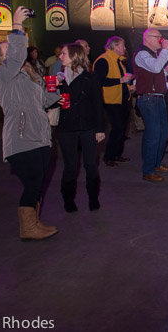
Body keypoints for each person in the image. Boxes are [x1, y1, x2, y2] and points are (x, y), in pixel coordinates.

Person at [0, 6, 59, 241]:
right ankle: (28, 228)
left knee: (37, 183)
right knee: (34, 182)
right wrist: (16, 26)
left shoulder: (26, 76)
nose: (16, 49)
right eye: (8, 48)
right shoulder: (1, 75)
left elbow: (43, 101)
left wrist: (58, 91)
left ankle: (34, 223)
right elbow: (15, 57)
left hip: (40, 135)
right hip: (21, 137)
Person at [57, 44, 105, 212]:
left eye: (63, 53)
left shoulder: (90, 77)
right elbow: (47, 102)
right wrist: (53, 93)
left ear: (74, 56)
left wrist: (100, 129)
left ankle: (93, 198)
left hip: (87, 126)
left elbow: (98, 104)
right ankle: (68, 200)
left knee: (90, 165)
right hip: (66, 127)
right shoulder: (58, 79)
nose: (60, 56)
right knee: (70, 166)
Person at [133, 29, 168, 182]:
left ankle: (156, 164)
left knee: (162, 134)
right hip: (149, 99)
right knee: (153, 135)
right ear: (148, 38)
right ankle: (148, 170)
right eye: (158, 37)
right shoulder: (142, 53)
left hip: (157, 98)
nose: (161, 40)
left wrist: (166, 72)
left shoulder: (153, 55)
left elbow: (155, 73)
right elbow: (156, 68)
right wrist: (165, 50)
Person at [93, 36, 133, 167]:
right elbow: (99, 81)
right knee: (117, 128)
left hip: (122, 99)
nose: (124, 48)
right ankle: (109, 156)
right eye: (122, 45)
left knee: (122, 129)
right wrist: (120, 80)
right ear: (114, 46)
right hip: (111, 101)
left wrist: (128, 86)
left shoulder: (118, 60)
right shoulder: (103, 60)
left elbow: (119, 80)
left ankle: (116, 154)